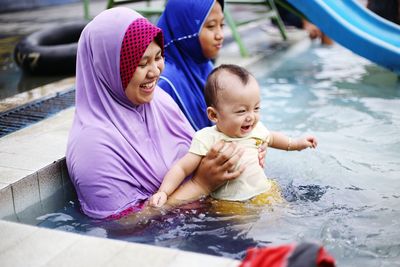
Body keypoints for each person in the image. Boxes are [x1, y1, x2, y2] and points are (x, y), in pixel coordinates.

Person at [66, 7, 244, 220]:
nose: (155, 71)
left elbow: (199, 152)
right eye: (141, 64)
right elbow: (122, 225)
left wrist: (235, 157)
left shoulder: (158, 101)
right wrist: (201, 184)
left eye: (158, 57)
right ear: (108, 68)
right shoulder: (93, 146)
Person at [149, 64, 318, 208]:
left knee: (282, 216)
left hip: (265, 191)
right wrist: (164, 192)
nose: (251, 116)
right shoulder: (207, 138)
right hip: (231, 204)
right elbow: (182, 168)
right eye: (242, 111)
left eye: (256, 108)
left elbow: (272, 138)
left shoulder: (256, 129)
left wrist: (296, 143)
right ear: (214, 115)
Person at [156, 0, 225, 131]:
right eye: (211, 26)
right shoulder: (165, 84)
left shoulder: (205, 66)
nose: (220, 35)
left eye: (222, 25)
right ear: (184, 29)